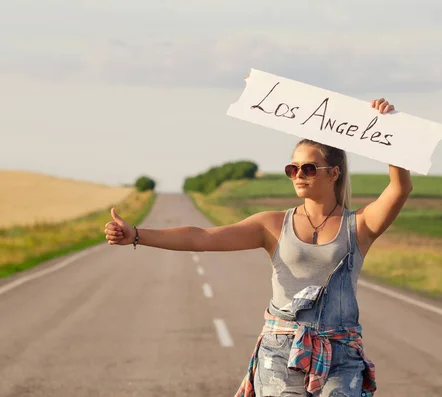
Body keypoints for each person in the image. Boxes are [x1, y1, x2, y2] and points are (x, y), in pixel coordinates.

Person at [104, 98, 413, 397]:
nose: (299, 175)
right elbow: (202, 237)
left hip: (341, 353)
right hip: (280, 350)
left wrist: (389, 133)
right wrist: (136, 234)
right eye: (293, 169)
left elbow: (400, 187)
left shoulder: (358, 226)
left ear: (333, 173)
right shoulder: (273, 224)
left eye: (308, 168)